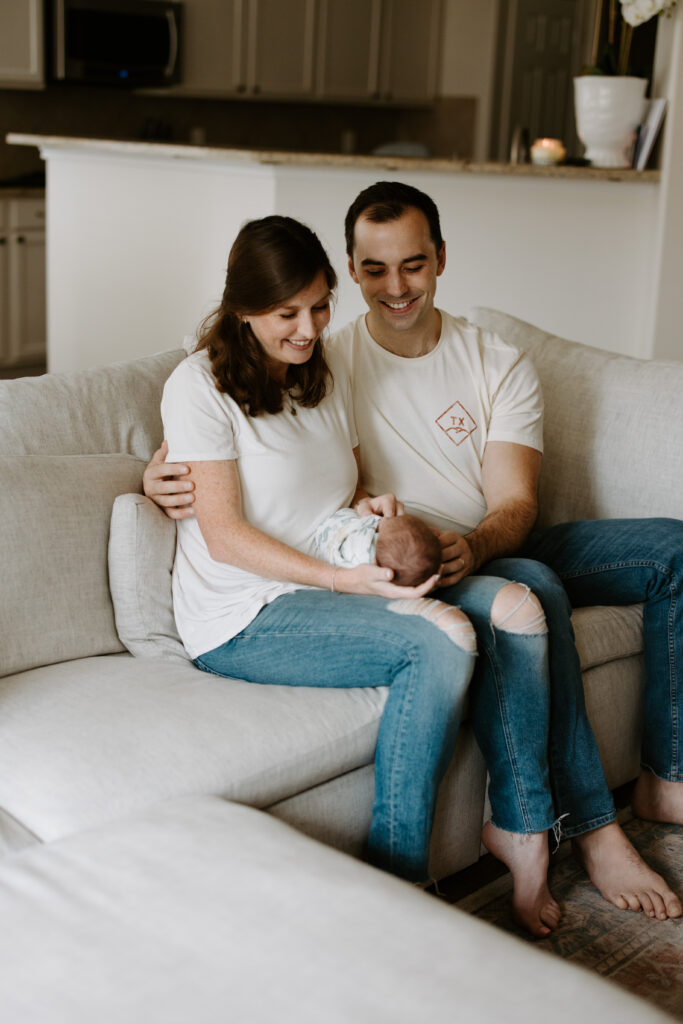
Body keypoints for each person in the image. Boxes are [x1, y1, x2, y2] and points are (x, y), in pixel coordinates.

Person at [144, 185, 682, 936]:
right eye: (372, 270)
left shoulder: (378, 368)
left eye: (317, 307)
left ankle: (612, 800)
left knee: (590, 576)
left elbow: (456, 498)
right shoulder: (261, 368)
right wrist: (157, 477)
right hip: (307, 589)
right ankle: (491, 858)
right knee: (489, 616)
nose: (309, 328)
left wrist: (411, 525)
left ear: (439, 261)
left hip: (427, 552)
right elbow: (226, 510)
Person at [157, 211, 534, 888]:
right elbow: (225, 536)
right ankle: (399, 880)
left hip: (323, 574)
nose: (307, 329)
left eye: (319, 307)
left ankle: (526, 828)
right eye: (285, 315)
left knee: (503, 609)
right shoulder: (197, 386)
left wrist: (369, 509)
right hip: (241, 614)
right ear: (244, 310)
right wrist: (341, 580)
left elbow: (344, 485)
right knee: (440, 639)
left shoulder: (319, 374)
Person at [313, 507, 442, 586]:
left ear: (374, 559)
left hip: (326, 535)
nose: (385, 519)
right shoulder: (419, 579)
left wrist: (377, 522)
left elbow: (358, 527)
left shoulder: (361, 546)